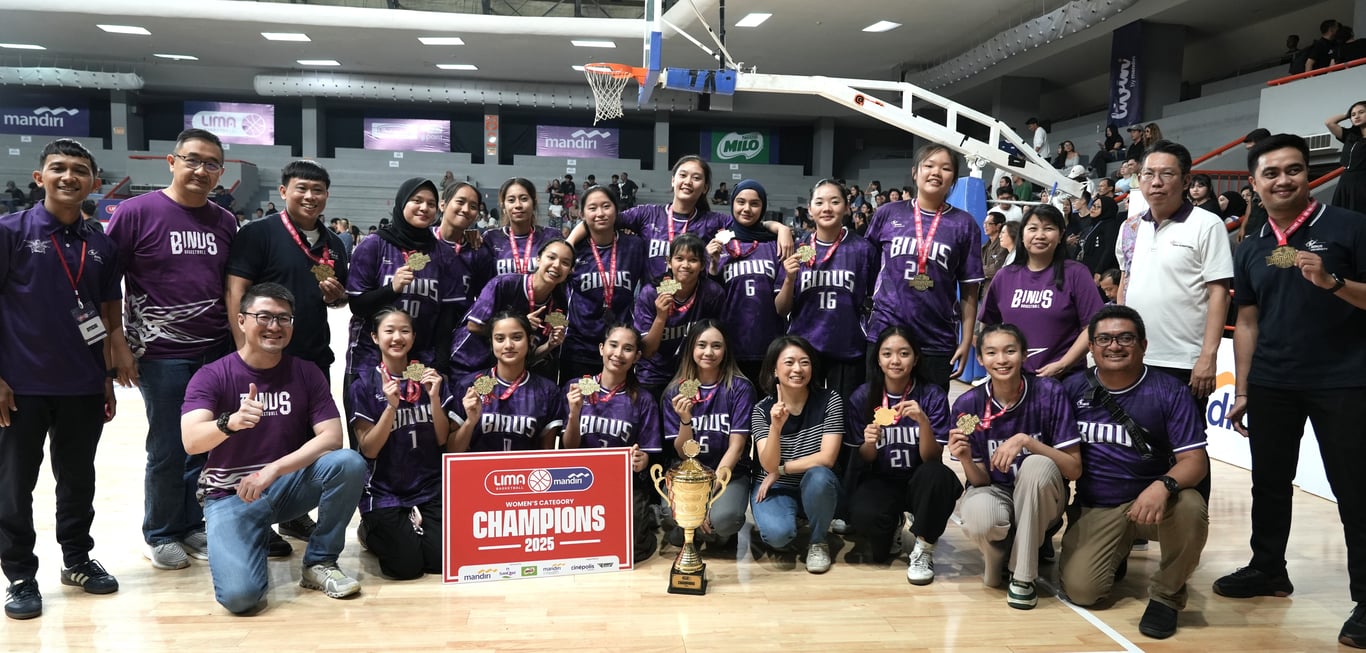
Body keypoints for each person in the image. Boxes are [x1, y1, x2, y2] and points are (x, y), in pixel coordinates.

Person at [1215, 133, 1366, 649]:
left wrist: (1333, 283)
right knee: (1270, 483)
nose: (1284, 180)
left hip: (1343, 380)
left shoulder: (1350, 226)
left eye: (1294, 170)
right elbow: (1248, 320)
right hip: (1273, 381)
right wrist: (1244, 388)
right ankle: (1268, 569)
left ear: (1307, 174)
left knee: (1356, 490)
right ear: (1254, 184)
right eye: (1272, 173)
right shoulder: (1253, 245)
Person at [181, 282, 367, 614]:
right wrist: (230, 422)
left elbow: (331, 437)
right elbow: (191, 440)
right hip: (230, 496)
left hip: (284, 486)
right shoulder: (213, 375)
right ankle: (249, 539)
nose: (274, 326)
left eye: (283, 318)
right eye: (264, 316)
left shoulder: (306, 372)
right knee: (241, 599)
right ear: (241, 320)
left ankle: (319, 562)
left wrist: (273, 470)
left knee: (349, 463)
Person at [106, 128, 238, 572]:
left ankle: (190, 523)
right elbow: (107, 284)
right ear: (172, 161)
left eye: (211, 164)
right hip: (161, 353)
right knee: (167, 447)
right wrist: (118, 343)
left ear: (221, 171)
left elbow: (229, 286)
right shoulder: (135, 212)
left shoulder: (224, 221)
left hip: (215, 351)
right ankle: (160, 532)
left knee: (205, 443)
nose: (201, 170)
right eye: (192, 160)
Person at [0, 138, 121, 620]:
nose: (69, 176)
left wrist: (106, 376)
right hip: (20, 384)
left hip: (82, 384)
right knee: (14, 485)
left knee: (77, 479)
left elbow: (106, 314)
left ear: (94, 182)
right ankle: (19, 575)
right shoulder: (10, 231)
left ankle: (76, 559)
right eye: (58, 168)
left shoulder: (101, 244)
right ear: (40, 178)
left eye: (79, 170)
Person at [1057, 305, 1210, 639]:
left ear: (1143, 344)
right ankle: (1116, 550)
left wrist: (1163, 485)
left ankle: (1167, 595)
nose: (1114, 346)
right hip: (1097, 505)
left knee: (1190, 505)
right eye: (1104, 339)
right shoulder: (1072, 389)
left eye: (1125, 338)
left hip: (1152, 504)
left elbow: (1195, 461)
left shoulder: (1169, 390)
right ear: (1091, 347)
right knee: (1083, 592)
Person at [225, 160, 349, 551]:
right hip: (262, 359)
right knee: (259, 438)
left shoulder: (333, 244)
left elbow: (337, 298)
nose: (310, 196)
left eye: (318, 190)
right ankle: (255, 518)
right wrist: (243, 351)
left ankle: (293, 513)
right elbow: (236, 290)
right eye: (301, 188)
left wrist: (338, 297)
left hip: (312, 357)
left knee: (304, 437)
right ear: (283, 191)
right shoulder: (258, 234)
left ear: (327, 195)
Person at [949, 324, 1082, 610]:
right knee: (980, 517)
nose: (1001, 359)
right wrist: (966, 459)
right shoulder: (968, 404)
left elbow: (1073, 469)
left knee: (1035, 465)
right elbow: (980, 481)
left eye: (1010, 351)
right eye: (991, 352)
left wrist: (1027, 442)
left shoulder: (1049, 392)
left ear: (1024, 355)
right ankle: (1000, 558)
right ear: (980, 359)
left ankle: (1022, 576)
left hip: (1043, 495)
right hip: (995, 490)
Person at [344, 178, 464, 443]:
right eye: (417, 201)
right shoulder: (374, 245)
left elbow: (447, 315)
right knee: (369, 441)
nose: (424, 208)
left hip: (421, 359)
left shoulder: (443, 254)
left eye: (431, 203)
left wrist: (441, 363)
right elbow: (358, 305)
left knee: (418, 436)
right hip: (370, 358)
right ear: (401, 203)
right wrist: (392, 289)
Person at [844, 327, 963, 581]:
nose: (895, 360)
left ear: (916, 358)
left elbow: (932, 458)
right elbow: (866, 458)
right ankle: (894, 522)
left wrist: (923, 422)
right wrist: (869, 442)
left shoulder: (932, 395)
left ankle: (924, 546)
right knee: (873, 541)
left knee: (939, 476)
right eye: (887, 354)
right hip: (882, 478)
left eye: (904, 353)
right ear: (878, 359)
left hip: (920, 479)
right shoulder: (863, 396)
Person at [1119, 140, 1232, 404]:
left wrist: (1208, 356)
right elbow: (1125, 282)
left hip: (1184, 362)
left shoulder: (1207, 224)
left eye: (1167, 174)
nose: (1156, 182)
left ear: (1185, 181)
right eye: (1148, 174)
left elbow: (1220, 294)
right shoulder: (1130, 227)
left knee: (1184, 431)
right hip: (1134, 357)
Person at [864, 143, 984, 390]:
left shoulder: (964, 224)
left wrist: (965, 340)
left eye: (946, 168)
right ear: (915, 172)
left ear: (953, 178)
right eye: (929, 165)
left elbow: (969, 289)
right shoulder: (888, 213)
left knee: (930, 409)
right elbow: (868, 265)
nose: (936, 172)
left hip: (936, 336)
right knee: (880, 408)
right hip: (886, 330)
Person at [349, 308, 453, 580]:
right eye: (389, 331)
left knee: (441, 562)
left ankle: (412, 527)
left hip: (429, 486)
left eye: (404, 331)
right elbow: (369, 449)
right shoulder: (363, 384)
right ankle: (369, 531)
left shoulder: (430, 378)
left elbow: (443, 438)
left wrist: (434, 399)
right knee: (406, 567)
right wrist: (390, 408)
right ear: (375, 337)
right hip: (384, 490)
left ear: (414, 337)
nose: (397, 337)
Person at [569, 156, 791, 283]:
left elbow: (750, 226)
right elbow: (599, 219)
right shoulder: (647, 214)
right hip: (651, 306)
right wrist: (569, 244)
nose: (688, 182)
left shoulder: (713, 221)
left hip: (693, 309)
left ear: (705, 188)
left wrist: (782, 229)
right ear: (673, 180)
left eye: (696, 178)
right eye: (683, 175)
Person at [562, 325, 662, 562]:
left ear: (637, 356)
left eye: (628, 349)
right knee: (572, 545)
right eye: (613, 345)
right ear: (601, 348)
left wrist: (642, 459)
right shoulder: (575, 388)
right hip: (580, 481)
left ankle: (646, 515)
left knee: (632, 549)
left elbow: (646, 455)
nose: (618, 354)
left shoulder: (644, 399)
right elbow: (569, 448)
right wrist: (574, 414)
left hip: (623, 483)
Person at [749, 336, 845, 574]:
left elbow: (827, 458)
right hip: (774, 487)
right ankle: (796, 517)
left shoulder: (830, 400)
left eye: (805, 362)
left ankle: (818, 541)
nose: (798, 369)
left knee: (820, 476)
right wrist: (776, 427)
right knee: (778, 536)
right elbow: (768, 464)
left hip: (813, 483)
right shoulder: (761, 410)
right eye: (789, 362)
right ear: (775, 369)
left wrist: (782, 469)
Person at [657, 320, 754, 549]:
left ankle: (714, 530)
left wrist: (707, 496)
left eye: (716, 346)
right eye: (701, 345)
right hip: (687, 475)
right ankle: (698, 530)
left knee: (725, 519)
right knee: (671, 513)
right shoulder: (675, 391)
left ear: (726, 350)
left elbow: (737, 448)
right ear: (691, 348)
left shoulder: (740, 388)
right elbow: (683, 454)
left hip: (729, 474)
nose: (708, 352)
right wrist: (685, 420)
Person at [777, 179, 876, 397]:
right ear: (810, 209)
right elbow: (781, 309)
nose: (827, 208)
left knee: (844, 415)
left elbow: (875, 299)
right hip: (803, 351)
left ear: (847, 207)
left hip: (847, 349)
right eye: (820, 202)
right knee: (803, 414)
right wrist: (789, 280)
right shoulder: (796, 249)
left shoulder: (863, 249)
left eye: (835, 202)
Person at [981, 205, 1105, 377]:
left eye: (1048, 228)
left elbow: (1093, 326)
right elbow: (989, 325)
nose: (1040, 235)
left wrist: (1063, 364)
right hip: (1015, 380)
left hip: (1065, 379)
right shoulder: (1005, 276)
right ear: (1022, 235)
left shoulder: (1076, 274)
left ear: (1061, 235)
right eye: (1033, 228)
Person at [449, 239, 572, 380]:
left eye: (565, 263)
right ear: (538, 259)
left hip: (504, 375)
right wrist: (519, 326)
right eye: (551, 257)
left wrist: (549, 345)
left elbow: (528, 357)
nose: (556, 265)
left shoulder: (559, 307)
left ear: (570, 271)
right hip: (468, 364)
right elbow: (473, 326)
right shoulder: (503, 284)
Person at [449, 311, 567, 452]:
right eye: (500, 339)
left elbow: (547, 451)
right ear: (491, 343)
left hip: (526, 466)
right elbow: (452, 451)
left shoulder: (548, 391)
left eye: (517, 337)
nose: (508, 345)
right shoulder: (468, 386)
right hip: (479, 466)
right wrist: (470, 422)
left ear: (529, 341)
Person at [562, 186, 647, 381]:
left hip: (620, 349)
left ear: (616, 210)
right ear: (582, 214)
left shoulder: (634, 246)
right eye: (592, 208)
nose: (600, 213)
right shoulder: (573, 250)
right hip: (579, 348)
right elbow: (556, 294)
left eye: (606, 206)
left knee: (616, 399)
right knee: (582, 398)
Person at [708, 179, 782, 382]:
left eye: (754, 203)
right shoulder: (719, 243)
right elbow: (711, 298)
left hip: (768, 345)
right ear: (732, 203)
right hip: (729, 345)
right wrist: (712, 266)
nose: (747, 209)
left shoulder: (775, 244)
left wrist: (782, 229)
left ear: (763, 207)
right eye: (741, 202)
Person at [634, 234, 725, 395]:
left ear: (702, 265)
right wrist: (660, 317)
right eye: (679, 258)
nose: (685, 265)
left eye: (693, 260)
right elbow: (647, 352)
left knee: (687, 408)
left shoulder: (712, 293)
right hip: (653, 374)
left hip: (691, 372)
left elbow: (717, 342)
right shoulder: (651, 293)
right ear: (669, 262)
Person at [482, 178, 562, 277]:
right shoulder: (491, 238)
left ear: (534, 203)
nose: (518, 205)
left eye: (524, 199)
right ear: (503, 207)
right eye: (511, 200)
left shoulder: (551, 236)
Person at [1325, 100, 1366, 213]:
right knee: (1343, 213)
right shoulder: (1350, 136)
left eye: (1361, 112)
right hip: (1346, 180)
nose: (1356, 116)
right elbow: (1329, 122)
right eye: (1353, 114)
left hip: (1363, 180)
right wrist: (1347, 114)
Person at [1078, 196, 1122, 276]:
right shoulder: (1094, 223)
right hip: (1086, 268)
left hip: (1099, 271)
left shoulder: (1110, 225)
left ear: (1106, 209)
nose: (1093, 208)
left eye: (1098, 207)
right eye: (1093, 205)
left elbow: (1109, 249)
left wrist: (1099, 271)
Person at [982, 212, 1009, 287]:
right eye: (984, 223)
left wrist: (979, 270)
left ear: (998, 226)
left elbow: (997, 268)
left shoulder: (1004, 245)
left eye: (988, 223)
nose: (985, 226)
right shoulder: (984, 247)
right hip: (985, 288)